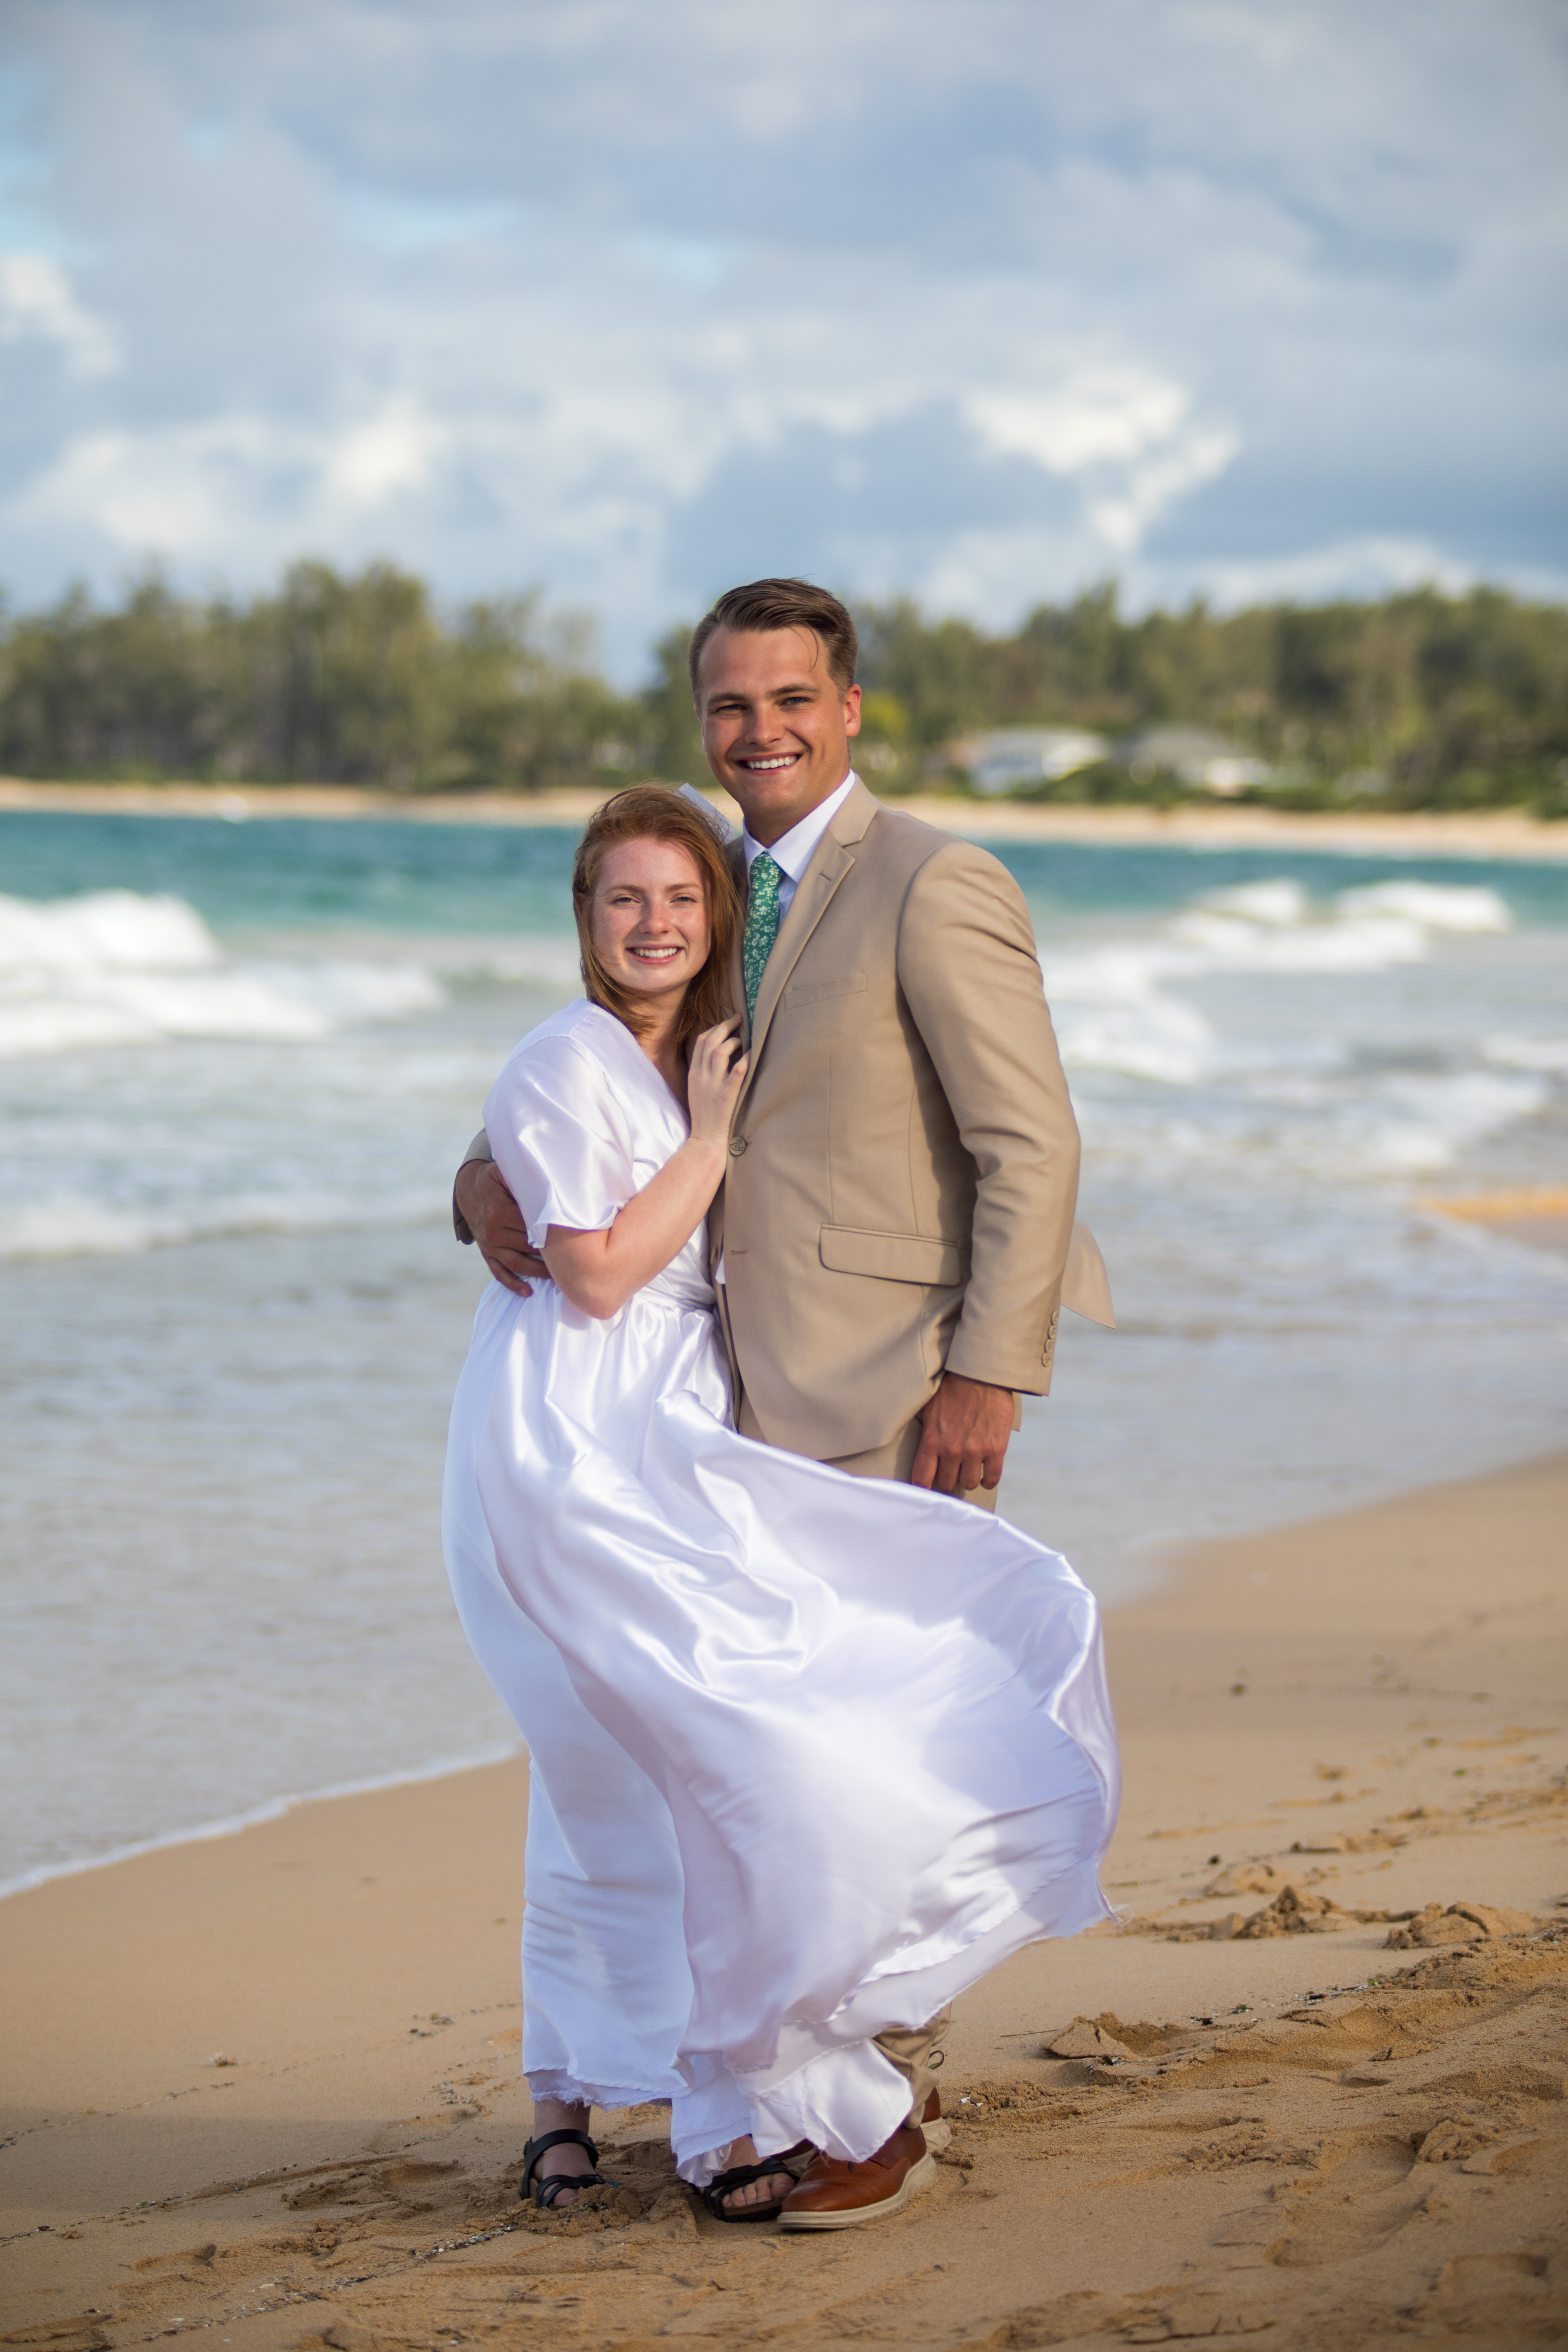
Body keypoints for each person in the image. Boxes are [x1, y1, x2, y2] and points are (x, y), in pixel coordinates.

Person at [451, 579, 1116, 2228]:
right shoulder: (707, 889)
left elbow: (1028, 1145)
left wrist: (989, 1370)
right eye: (734, 706)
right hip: (701, 1405)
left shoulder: (930, 881)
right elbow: (598, 1091)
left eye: (792, 699)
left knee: (867, 1729)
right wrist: (474, 1191)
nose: (763, 730)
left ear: (852, 706)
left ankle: (863, 2079)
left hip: (881, 1380)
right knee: (748, 1752)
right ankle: (799, 2073)